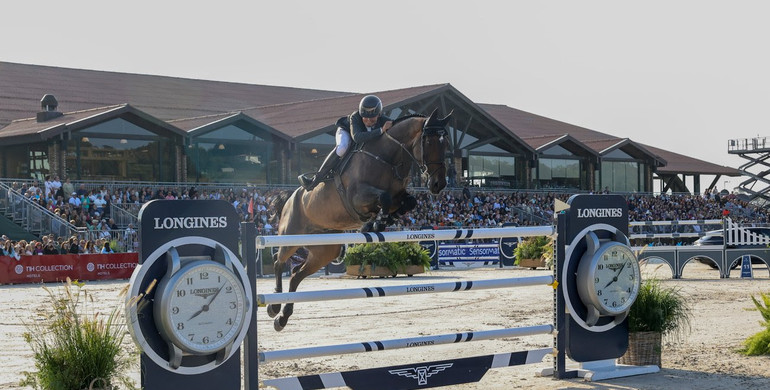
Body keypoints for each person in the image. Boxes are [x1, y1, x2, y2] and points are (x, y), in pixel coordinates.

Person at [298, 95, 393, 191]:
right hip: (346, 132)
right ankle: (315, 180)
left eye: (372, 118)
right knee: (342, 148)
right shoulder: (355, 117)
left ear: (379, 115)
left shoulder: (384, 120)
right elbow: (357, 137)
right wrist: (381, 130)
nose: (368, 121)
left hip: (363, 136)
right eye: (365, 118)